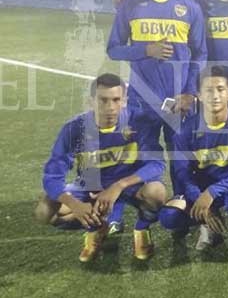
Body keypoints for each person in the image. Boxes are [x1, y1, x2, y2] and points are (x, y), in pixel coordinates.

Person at [107, 0, 207, 195]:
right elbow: (114, 49)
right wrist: (145, 50)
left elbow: (200, 53)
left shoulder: (190, 8)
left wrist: (191, 92)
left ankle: (183, 206)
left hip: (179, 99)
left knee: (182, 158)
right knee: (142, 156)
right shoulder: (129, 6)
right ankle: (146, 215)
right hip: (142, 100)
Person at [35, 74, 166, 262]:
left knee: (157, 192)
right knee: (44, 211)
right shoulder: (74, 129)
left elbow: (157, 163)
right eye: (103, 100)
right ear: (91, 101)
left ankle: (141, 229)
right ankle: (96, 228)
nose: (110, 107)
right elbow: (52, 176)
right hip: (89, 188)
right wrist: (74, 204)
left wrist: (119, 186)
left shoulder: (138, 122)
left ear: (124, 101)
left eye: (116, 100)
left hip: (129, 187)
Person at [159, 66, 228, 256]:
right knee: (169, 217)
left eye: (220, 90)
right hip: (199, 186)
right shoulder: (185, 130)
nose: (215, 96)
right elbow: (182, 171)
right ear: (198, 95)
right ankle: (206, 224)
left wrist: (212, 192)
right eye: (208, 90)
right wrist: (198, 196)